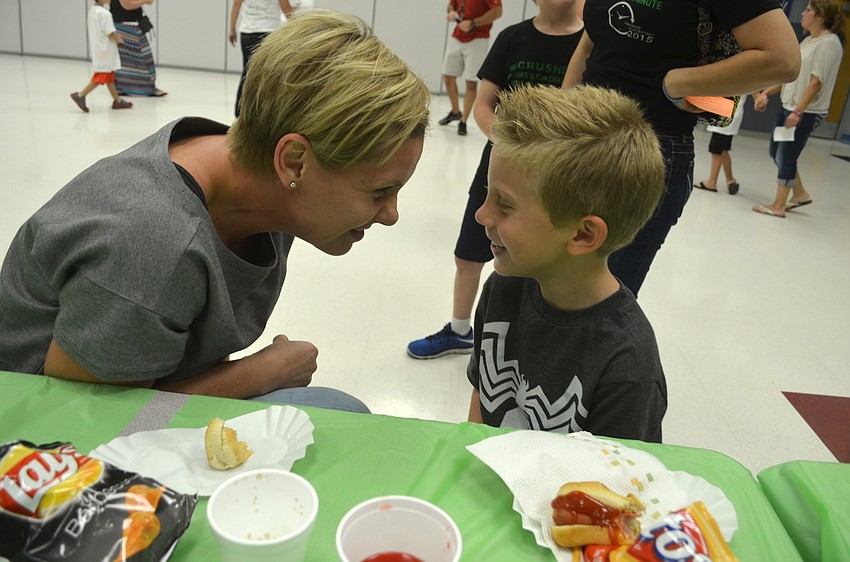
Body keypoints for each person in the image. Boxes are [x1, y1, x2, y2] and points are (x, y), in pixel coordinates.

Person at [0, 10, 430, 413]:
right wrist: (259, 373)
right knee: (342, 413)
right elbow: (87, 421)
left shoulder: (261, 183)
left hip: (130, 396)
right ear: (294, 161)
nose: (390, 214)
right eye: (380, 190)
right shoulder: (154, 245)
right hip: (45, 437)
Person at [467, 84, 667, 441]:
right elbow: (480, 407)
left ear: (582, 235)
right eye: (486, 195)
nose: (482, 215)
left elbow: (617, 486)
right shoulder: (502, 288)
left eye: (505, 204)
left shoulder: (627, 364)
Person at [563, 0, 800, 296]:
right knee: (548, 284)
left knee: (595, 304)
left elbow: (783, 59)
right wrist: (559, 122)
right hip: (579, 139)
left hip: (645, 151)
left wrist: (678, 83)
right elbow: (589, 45)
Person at [408, 0, 583, 359]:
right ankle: (459, 330)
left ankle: (526, 343)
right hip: (499, 169)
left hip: (555, 177)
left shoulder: (589, 45)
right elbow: (485, 105)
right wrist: (511, 145)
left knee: (536, 261)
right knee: (469, 254)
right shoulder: (512, 38)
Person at [752, 0, 844, 218]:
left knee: (787, 155)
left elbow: (816, 82)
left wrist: (798, 112)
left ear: (820, 17)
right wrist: (766, 92)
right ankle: (800, 193)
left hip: (805, 111)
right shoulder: (809, 41)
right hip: (789, 106)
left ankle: (778, 206)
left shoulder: (829, 43)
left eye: (809, 10)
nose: (803, 13)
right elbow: (791, 76)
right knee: (777, 152)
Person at [438, 0, 503, 136]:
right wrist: (451, 12)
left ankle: (463, 120)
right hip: (458, 35)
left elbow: (497, 12)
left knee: (471, 83)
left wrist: (473, 23)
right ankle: (455, 112)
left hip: (478, 38)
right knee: (448, 76)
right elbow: (451, 5)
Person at [229, 0, 293, 117]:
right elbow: (287, 9)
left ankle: (240, 112)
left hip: (247, 32)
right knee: (268, 75)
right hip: (268, 32)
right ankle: (264, 113)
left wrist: (232, 29)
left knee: (247, 72)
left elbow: (236, 4)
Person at [70, 0, 133, 112]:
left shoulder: (92, 11)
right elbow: (110, 33)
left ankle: (117, 101)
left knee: (109, 76)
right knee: (102, 75)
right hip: (106, 50)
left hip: (98, 48)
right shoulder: (105, 14)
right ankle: (81, 95)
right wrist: (118, 39)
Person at [110, 0, 167, 97]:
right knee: (139, 58)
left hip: (128, 24)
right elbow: (127, 5)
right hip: (126, 26)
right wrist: (145, 1)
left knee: (129, 59)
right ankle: (142, 87)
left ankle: (125, 87)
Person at [693, 95, 747, 195]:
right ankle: (730, 180)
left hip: (726, 113)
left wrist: (759, 97)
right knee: (723, 150)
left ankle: (712, 182)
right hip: (728, 113)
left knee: (716, 150)